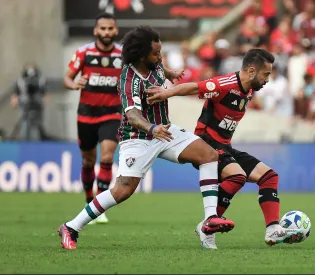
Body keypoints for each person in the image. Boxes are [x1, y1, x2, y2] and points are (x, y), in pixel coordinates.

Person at [57, 25, 235, 250]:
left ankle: (209, 220)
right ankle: (71, 227)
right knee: (122, 191)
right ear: (141, 55)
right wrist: (151, 129)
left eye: (160, 52)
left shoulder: (155, 63)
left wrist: (171, 73)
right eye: (156, 53)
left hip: (166, 130)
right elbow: (132, 115)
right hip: (138, 138)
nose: (160, 57)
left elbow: (161, 68)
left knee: (208, 155)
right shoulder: (129, 79)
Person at [146, 48, 304, 249]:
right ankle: (209, 223)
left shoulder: (248, 91)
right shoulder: (225, 84)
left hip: (225, 147)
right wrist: (167, 93)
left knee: (269, 176)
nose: (267, 80)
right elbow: (195, 87)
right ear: (252, 71)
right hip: (206, 144)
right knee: (237, 176)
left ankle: (272, 228)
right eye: (266, 74)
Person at [64, 13, 123, 224]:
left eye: (110, 29)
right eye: (103, 29)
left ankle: (99, 206)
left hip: (112, 113)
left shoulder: (123, 55)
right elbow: (67, 79)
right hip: (87, 114)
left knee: (107, 158)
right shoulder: (83, 52)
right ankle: (89, 200)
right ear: (96, 30)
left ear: (115, 31)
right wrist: (74, 84)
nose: (106, 32)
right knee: (88, 161)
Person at [11, 64, 47, 141]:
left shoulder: (40, 80)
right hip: (24, 109)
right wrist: (15, 102)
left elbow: (44, 95)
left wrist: (41, 102)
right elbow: (15, 96)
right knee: (24, 129)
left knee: (37, 129)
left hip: (36, 109)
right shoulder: (20, 81)